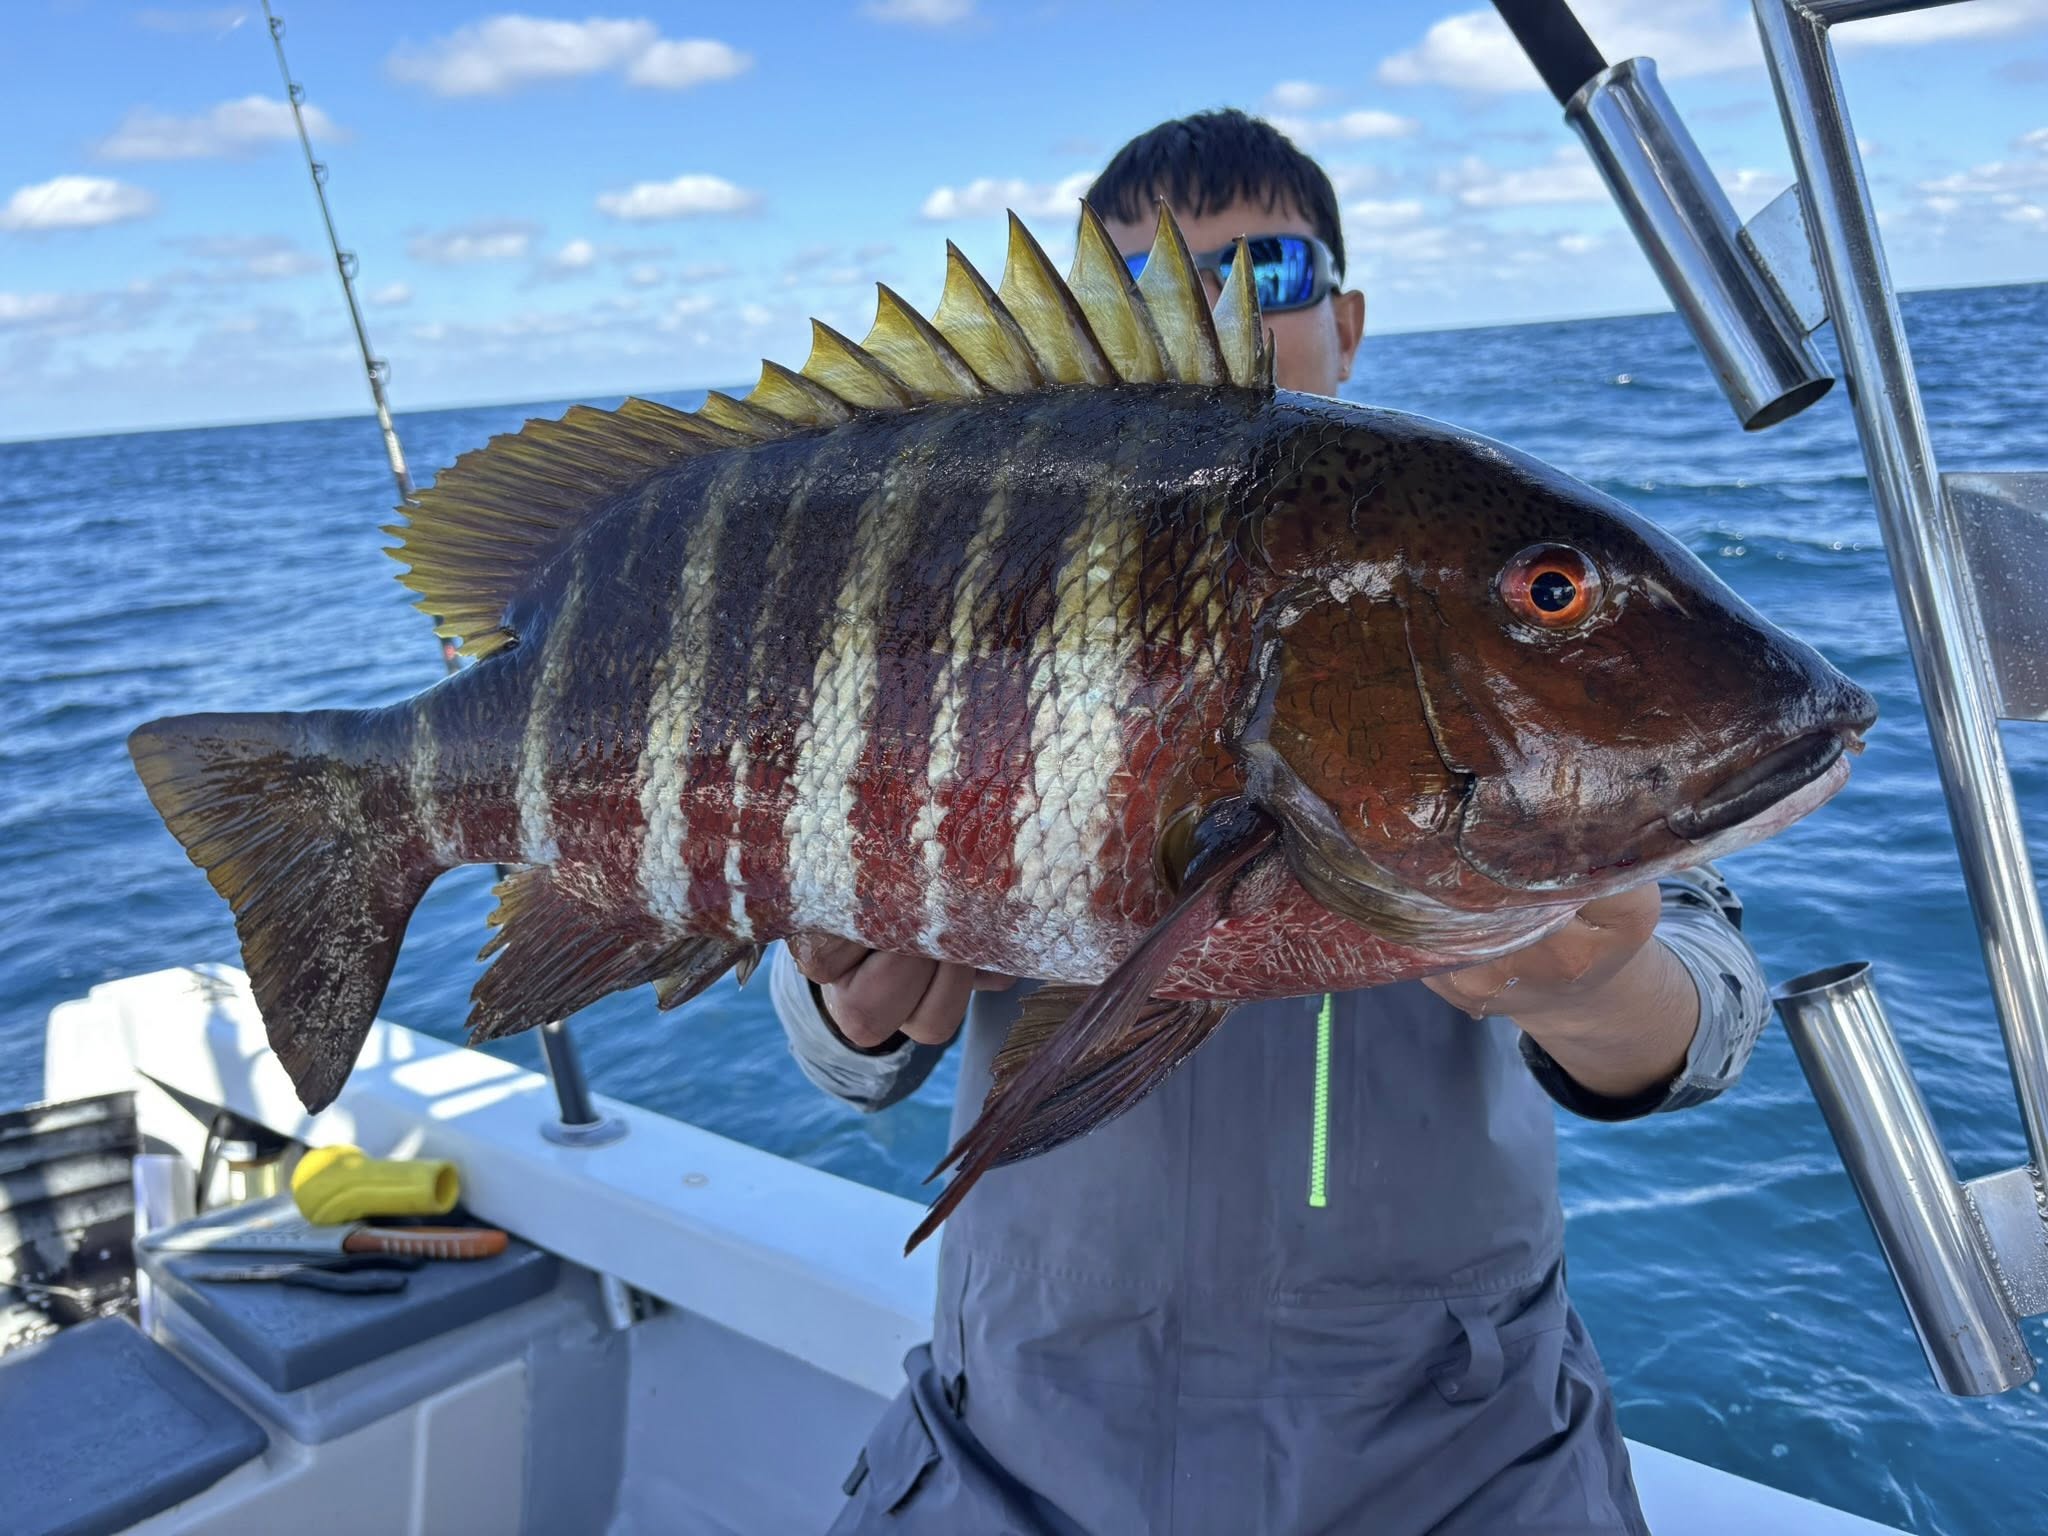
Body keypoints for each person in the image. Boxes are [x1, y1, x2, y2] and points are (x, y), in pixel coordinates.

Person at [769, 108, 1771, 1536]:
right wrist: (848, 1002)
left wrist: (1608, 987)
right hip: (1024, 1448)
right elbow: (817, 996)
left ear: (1348, 319)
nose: (1224, 311)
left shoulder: (1460, 575)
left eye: (1272, 270)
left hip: (1456, 1467)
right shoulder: (959, 582)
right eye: (1152, 286)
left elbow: (1710, 1005)